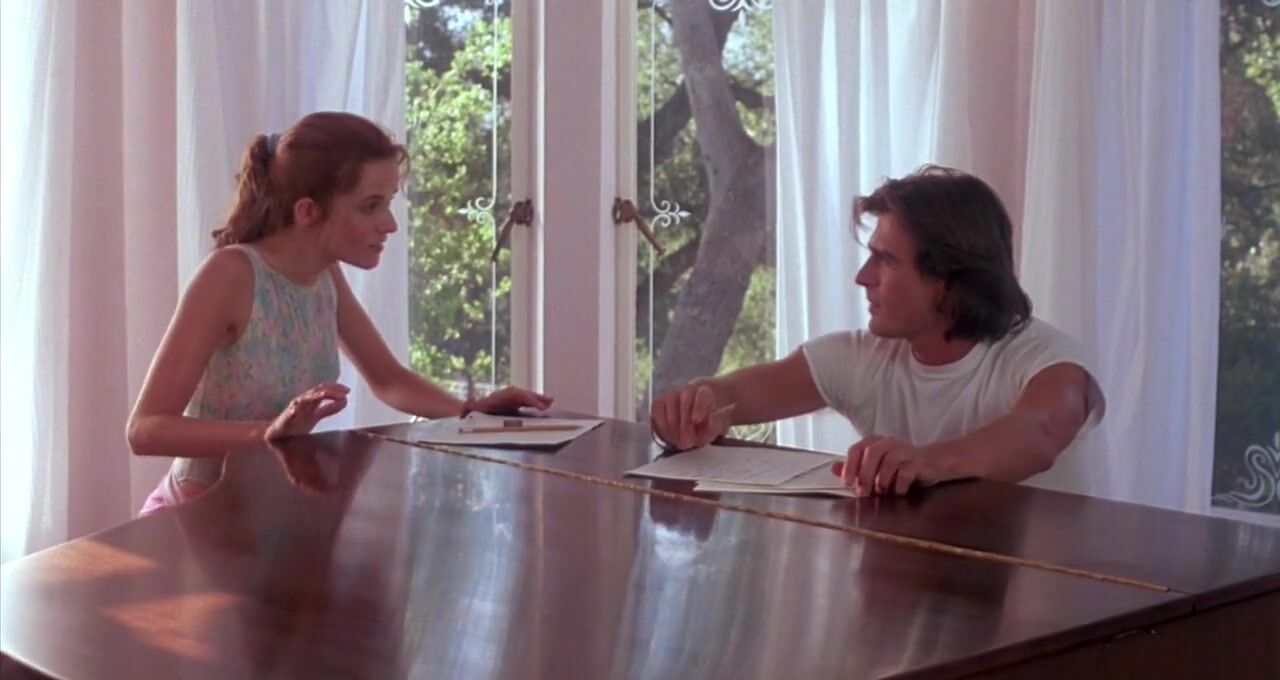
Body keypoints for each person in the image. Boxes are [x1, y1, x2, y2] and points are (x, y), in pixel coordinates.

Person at [128, 111, 551, 515]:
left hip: (274, 520)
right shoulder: (230, 274)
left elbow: (388, 379)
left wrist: (471, 414)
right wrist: (267, 432)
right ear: (308, 211)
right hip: (194, 521)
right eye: (370, 206)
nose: (389, 224)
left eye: (388, 203)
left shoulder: (325, 274)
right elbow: (145, 429)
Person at [650, 165, 1105, 497]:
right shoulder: (863, 357)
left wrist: (927, 461)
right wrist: (695, 408)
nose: (863, 277)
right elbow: (731, 397)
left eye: (885, 260)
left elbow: (1041, 432)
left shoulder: (1050, 359)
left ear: (949, 278)